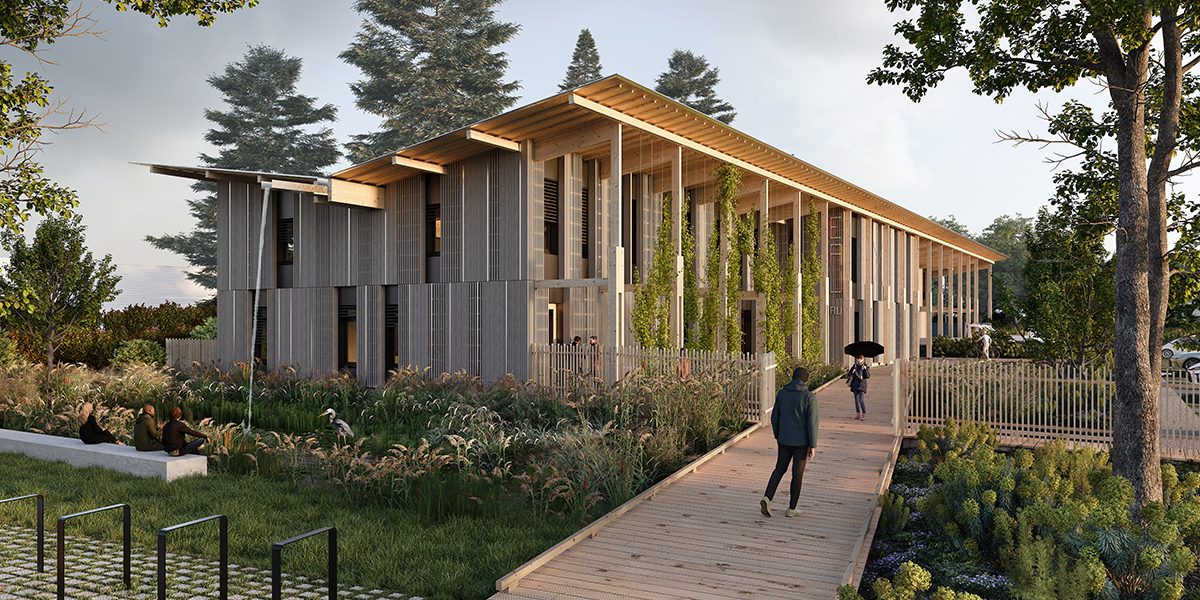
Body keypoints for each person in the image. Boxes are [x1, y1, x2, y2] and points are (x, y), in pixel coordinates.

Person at [761, 366, 819, 518]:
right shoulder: (809, 397)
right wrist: (812, 445)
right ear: (806, 380)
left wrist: (778, 436)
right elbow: (812, 423)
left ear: (793, 378)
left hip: (784, 440)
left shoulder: (782, 394)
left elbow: (774, 418)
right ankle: (792, 508)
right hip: (801, 443)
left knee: (779, 469)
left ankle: (767, 497)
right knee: (797, 475)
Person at [848, 354, 870, 421]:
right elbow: (849, 375)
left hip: (862, 385)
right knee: (856, 401)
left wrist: (865, 370)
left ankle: (864, 414)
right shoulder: (854, 366)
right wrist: (852, 372)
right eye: (857, 359)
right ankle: (858, 414)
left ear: (862, 359)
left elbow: (867, 376)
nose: (858, 360)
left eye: (860, 359)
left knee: (861, 400)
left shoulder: (865, 366)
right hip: (855, 385)